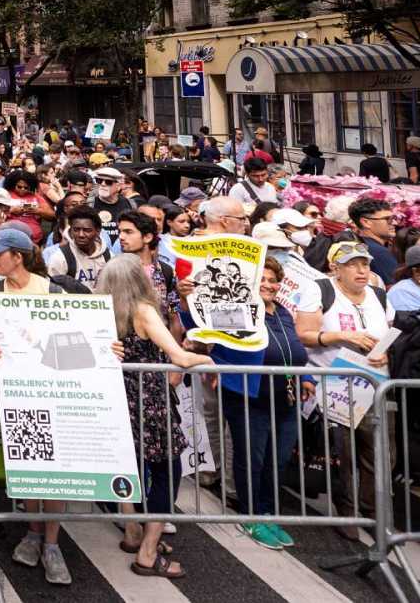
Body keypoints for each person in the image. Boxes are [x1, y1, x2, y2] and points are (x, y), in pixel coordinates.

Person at [0, 227, 97, 585]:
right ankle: (32, 533)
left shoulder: (53, 291)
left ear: (18, 256)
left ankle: (51, 543)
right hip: (17, 391)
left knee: (56, 471)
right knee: (29, 464)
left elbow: (77, 339)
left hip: (54, 390)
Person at [95, 257, 209, 578]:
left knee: (127, 466)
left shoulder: (100, 313)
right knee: (166, 470)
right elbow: (180, 356)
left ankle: (132, 532)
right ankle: (148, 552)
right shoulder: (143, 311)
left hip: (118, 399)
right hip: (151, 401)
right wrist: (209, 357)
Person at [294, 241, 393, 526]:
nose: (362, 270)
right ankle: (347, 512)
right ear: (335, 268)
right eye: (353, 264)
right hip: (334, 383)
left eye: (365, 264)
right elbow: (304, 334)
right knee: (342, 453)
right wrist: (341, 336)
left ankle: (374, 512)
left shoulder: (378, 294)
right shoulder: (320, 289)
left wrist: (386, 352)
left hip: (375, 382)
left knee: (380, 452)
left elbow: (389, 333)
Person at [215, 257, 312, 549]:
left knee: (278, 460)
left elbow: (292, 350)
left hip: (286, 396)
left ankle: (269, 513)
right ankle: (251, 515)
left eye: (273, 280)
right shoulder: (236, 312)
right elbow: (215, 343)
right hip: (249, 396)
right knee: (251, 459)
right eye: (263, 280)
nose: (269, 285)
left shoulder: (282, 311)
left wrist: (306, 378)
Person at [42, 206, 111, 289]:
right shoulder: (60, 258)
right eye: (76, 230)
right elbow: (51, 290)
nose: (81, 235)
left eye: (87, 230)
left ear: (98, 231)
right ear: (70, 230)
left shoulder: (109, 257)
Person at [349, 198, 400, 285]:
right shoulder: (378, 252)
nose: (394, 223)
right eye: (388, 219)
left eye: (394, 218)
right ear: (366, 222)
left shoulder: (360, 245)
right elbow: (396, 285)